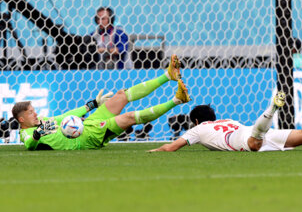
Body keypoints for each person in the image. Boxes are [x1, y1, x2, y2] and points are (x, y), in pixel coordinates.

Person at [12, 55, 190, 151]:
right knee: (128, 117)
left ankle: (168, 75)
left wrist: (92, 105)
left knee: (121, 95)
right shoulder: (26, 133)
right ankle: (176, 100)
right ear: (21, 120)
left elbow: (63, 117)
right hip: (88, 138)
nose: (35, 114)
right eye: (30, 112)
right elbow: (29, 144)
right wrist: (36, 135)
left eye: (34, 110)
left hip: (87, 124)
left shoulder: (42, 121)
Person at [148, 88, 302, 153]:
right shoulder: (226, 119)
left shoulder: (197, 129)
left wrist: (155, 150)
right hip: (247, 129)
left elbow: (171, 147)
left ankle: (272, 109)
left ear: (195, 120)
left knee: (254, 142)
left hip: (241, 137)